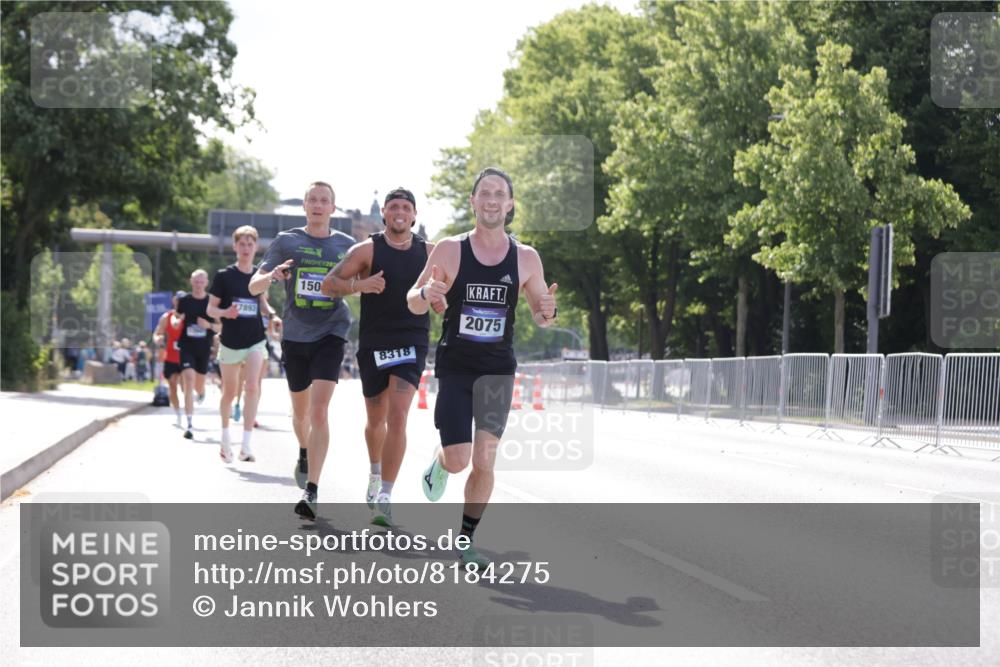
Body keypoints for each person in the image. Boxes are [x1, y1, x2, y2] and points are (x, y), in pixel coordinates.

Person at [407, 167, 557, 569]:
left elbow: (542, 316)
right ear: (473, 202)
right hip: (456, 366)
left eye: (499, 194)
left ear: (510, 205)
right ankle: (440, 462)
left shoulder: (526, 257)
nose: (492, 200)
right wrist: (426, 291)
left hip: (497, 370)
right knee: (458, 459)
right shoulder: (449, 250)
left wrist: (548, 311)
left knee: (485, 460)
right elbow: (413, 301)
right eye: (484, 193)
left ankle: (466, 540)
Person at [322, 187, 432, 526]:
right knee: (376, 420)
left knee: (398, 417)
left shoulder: (430, 252)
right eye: (393, 206)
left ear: (414, 215)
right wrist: (359, 286)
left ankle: (385, 494)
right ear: (384, 213)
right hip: (374, 343)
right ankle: (374, 472)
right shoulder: (367, 249)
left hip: (412, 341)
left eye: (406, 207)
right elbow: (329, 283)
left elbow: (451, 286)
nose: (400, 212)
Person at [249, 181, 354, 520]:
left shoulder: (347, 246)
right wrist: (273, 275)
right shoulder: (287, 241)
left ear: (333, 208)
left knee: (320, 411)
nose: (318, 205)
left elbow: (369, 280)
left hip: (332, 331)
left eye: (325, 200)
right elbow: (254, 284)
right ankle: (304, 449)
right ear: (305, 206)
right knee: (301, 414)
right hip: (296, 335)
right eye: (313, 200)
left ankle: (312, 490)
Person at [207, 225, 270, 463]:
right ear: (235, 247)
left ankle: (246, 445)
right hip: (231, 342)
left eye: (250, 244)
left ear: (256, 247)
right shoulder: (224, 276)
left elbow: (263, 305)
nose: (246, 248)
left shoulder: (259, 276)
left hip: (255, 338)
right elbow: (210, 308)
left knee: (252, 386)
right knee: (230, 392)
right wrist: (225, 312)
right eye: (241, 244)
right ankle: (225, 438)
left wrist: (274, 316)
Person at [177, 269, 220, 439]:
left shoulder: (212, 302)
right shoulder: (184, 300)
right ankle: (189, 424)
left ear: (206, 283)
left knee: (198, 385)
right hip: (187, 346)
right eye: (196, 281)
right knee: (188, 380)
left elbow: (221, 327)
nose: (198, 285)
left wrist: (208, 326)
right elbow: (176, 317)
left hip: (204, 348)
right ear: (191, 282)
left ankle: (201, 393)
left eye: (202, 282)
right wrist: (175, 321)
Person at [153, 290, 187, 427]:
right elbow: (157, 333)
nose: (180, 303)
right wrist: (158, 339)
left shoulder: (190, 316)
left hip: (187, 355)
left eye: (183, 300)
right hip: (171, 356)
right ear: (174, 301)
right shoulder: (166, 317)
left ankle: (188, 411)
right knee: (172, 385)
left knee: (186, 387)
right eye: (178, 300)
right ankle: (178, 414)